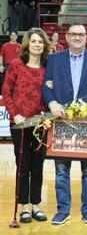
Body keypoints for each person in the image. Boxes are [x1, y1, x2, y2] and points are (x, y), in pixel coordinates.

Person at [42, 23, 87, 225]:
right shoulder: (54, 59)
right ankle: (63, 210)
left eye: (81, 34)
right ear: (67, 37)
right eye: (73, 34)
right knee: (61, 171)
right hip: (62, 120)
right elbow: (45, 84)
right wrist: (52, 102)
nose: (77, 37)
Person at [2, 28, 52, 224]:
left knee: (38, 166)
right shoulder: (16, 65)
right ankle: (23, 207)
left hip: (41, 123)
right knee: (22, 167)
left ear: (44, 45)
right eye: (34, 41)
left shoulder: (49, 67)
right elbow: (6, 92)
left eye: (40, 42)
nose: (37, 45)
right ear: (27, 44)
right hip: (20, 124)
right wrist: (16, 115)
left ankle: (36, 205)